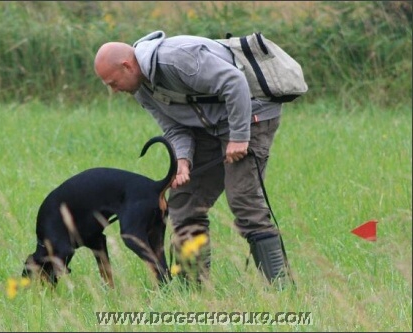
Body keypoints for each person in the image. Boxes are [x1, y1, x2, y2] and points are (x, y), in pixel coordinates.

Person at [94, 30, 292, 287]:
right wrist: (183, 160)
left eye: (112, 82)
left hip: (251, 115)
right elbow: (175, 128)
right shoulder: (141, 90)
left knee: (244, 201)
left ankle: (281, 288)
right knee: (184, 202)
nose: (113, 90)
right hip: (209, 127)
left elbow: (234, 82)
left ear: (127, 65)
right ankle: (193, 290)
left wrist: (240, 137)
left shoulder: (175, 59)